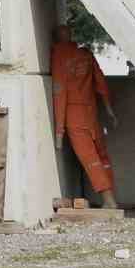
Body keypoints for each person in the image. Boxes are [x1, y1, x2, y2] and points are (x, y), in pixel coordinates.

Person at [50, 23, 119, 208]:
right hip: (91, 113)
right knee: (102, 156)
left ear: (56, 38)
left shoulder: (58, 55)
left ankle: (109, 200)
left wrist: (59, 131)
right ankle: (112, 199)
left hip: (74, 115)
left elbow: (59, 91)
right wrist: (109, 110)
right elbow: (101, 82)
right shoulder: (86, 54)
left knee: (89, 158)